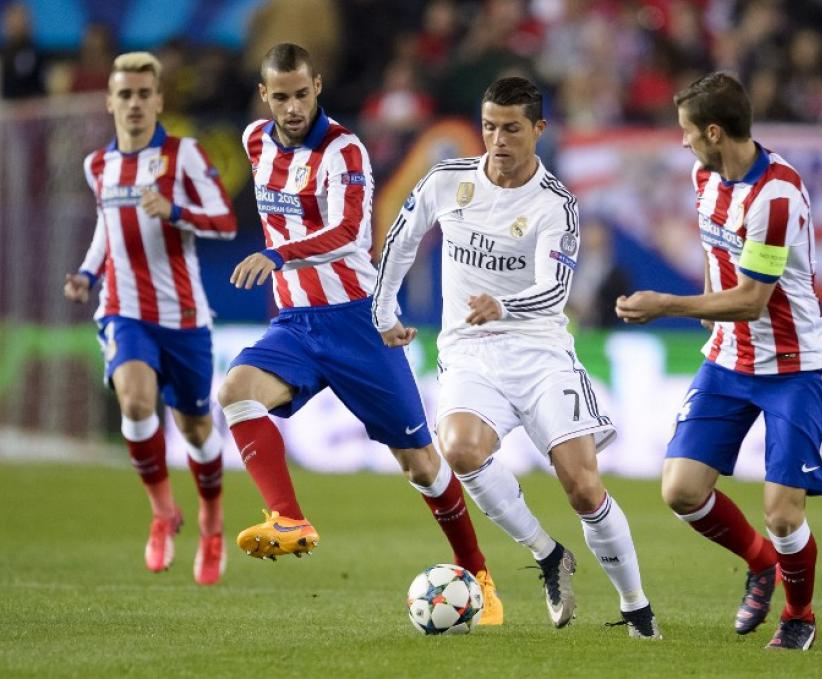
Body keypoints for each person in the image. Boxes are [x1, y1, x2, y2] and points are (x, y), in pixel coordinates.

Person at [216, 43, 503, 626]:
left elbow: (350, 233)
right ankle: (288, 517)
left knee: (421, 464)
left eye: (302, 94)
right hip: (296, 323)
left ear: (318, 86)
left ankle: (478, 572)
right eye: (281, 96)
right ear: (263, 95)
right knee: (236, 391)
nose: (293, 107)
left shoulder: (344, 150)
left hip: (356, 321)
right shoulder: (254, 141)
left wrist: (277, 255)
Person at [372, 76, 660, 638]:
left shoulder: (556, 204)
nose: (498, 140)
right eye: (489, 127)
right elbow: (402, 240)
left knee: (582, 486)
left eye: (511, 128)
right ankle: (548, 554)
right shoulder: (448, 180)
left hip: (540, 353)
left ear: (538, 129)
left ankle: (636, 607)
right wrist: (383, 310)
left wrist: (502, 305)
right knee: (459, 448)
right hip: (469, 352)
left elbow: (555, 289)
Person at [615, 72, 822, 651]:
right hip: (728, 360)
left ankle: (799, 615)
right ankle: (761, 563)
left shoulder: (776, 196)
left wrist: (668, 305)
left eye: (687, 131)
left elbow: (753, 299)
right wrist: (709, 308)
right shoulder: (704, 176)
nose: (682, 141)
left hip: (793, 367)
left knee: (783, 515)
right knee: (681, 491)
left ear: (714, 132)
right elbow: (718, 253)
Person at [64, 52, 237, 585]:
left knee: (196, 430)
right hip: (124, 310)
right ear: (109, 102)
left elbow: (226, 222)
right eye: (126, 94)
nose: (135, 104)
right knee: (136, 403)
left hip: (183, 316)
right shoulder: (98, 165)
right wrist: (87, 274)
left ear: (159, 100)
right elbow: (107, 227)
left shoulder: (184, 156)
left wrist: (175, 211)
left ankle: (211, 523)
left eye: (144, 94)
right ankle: (163, 512)